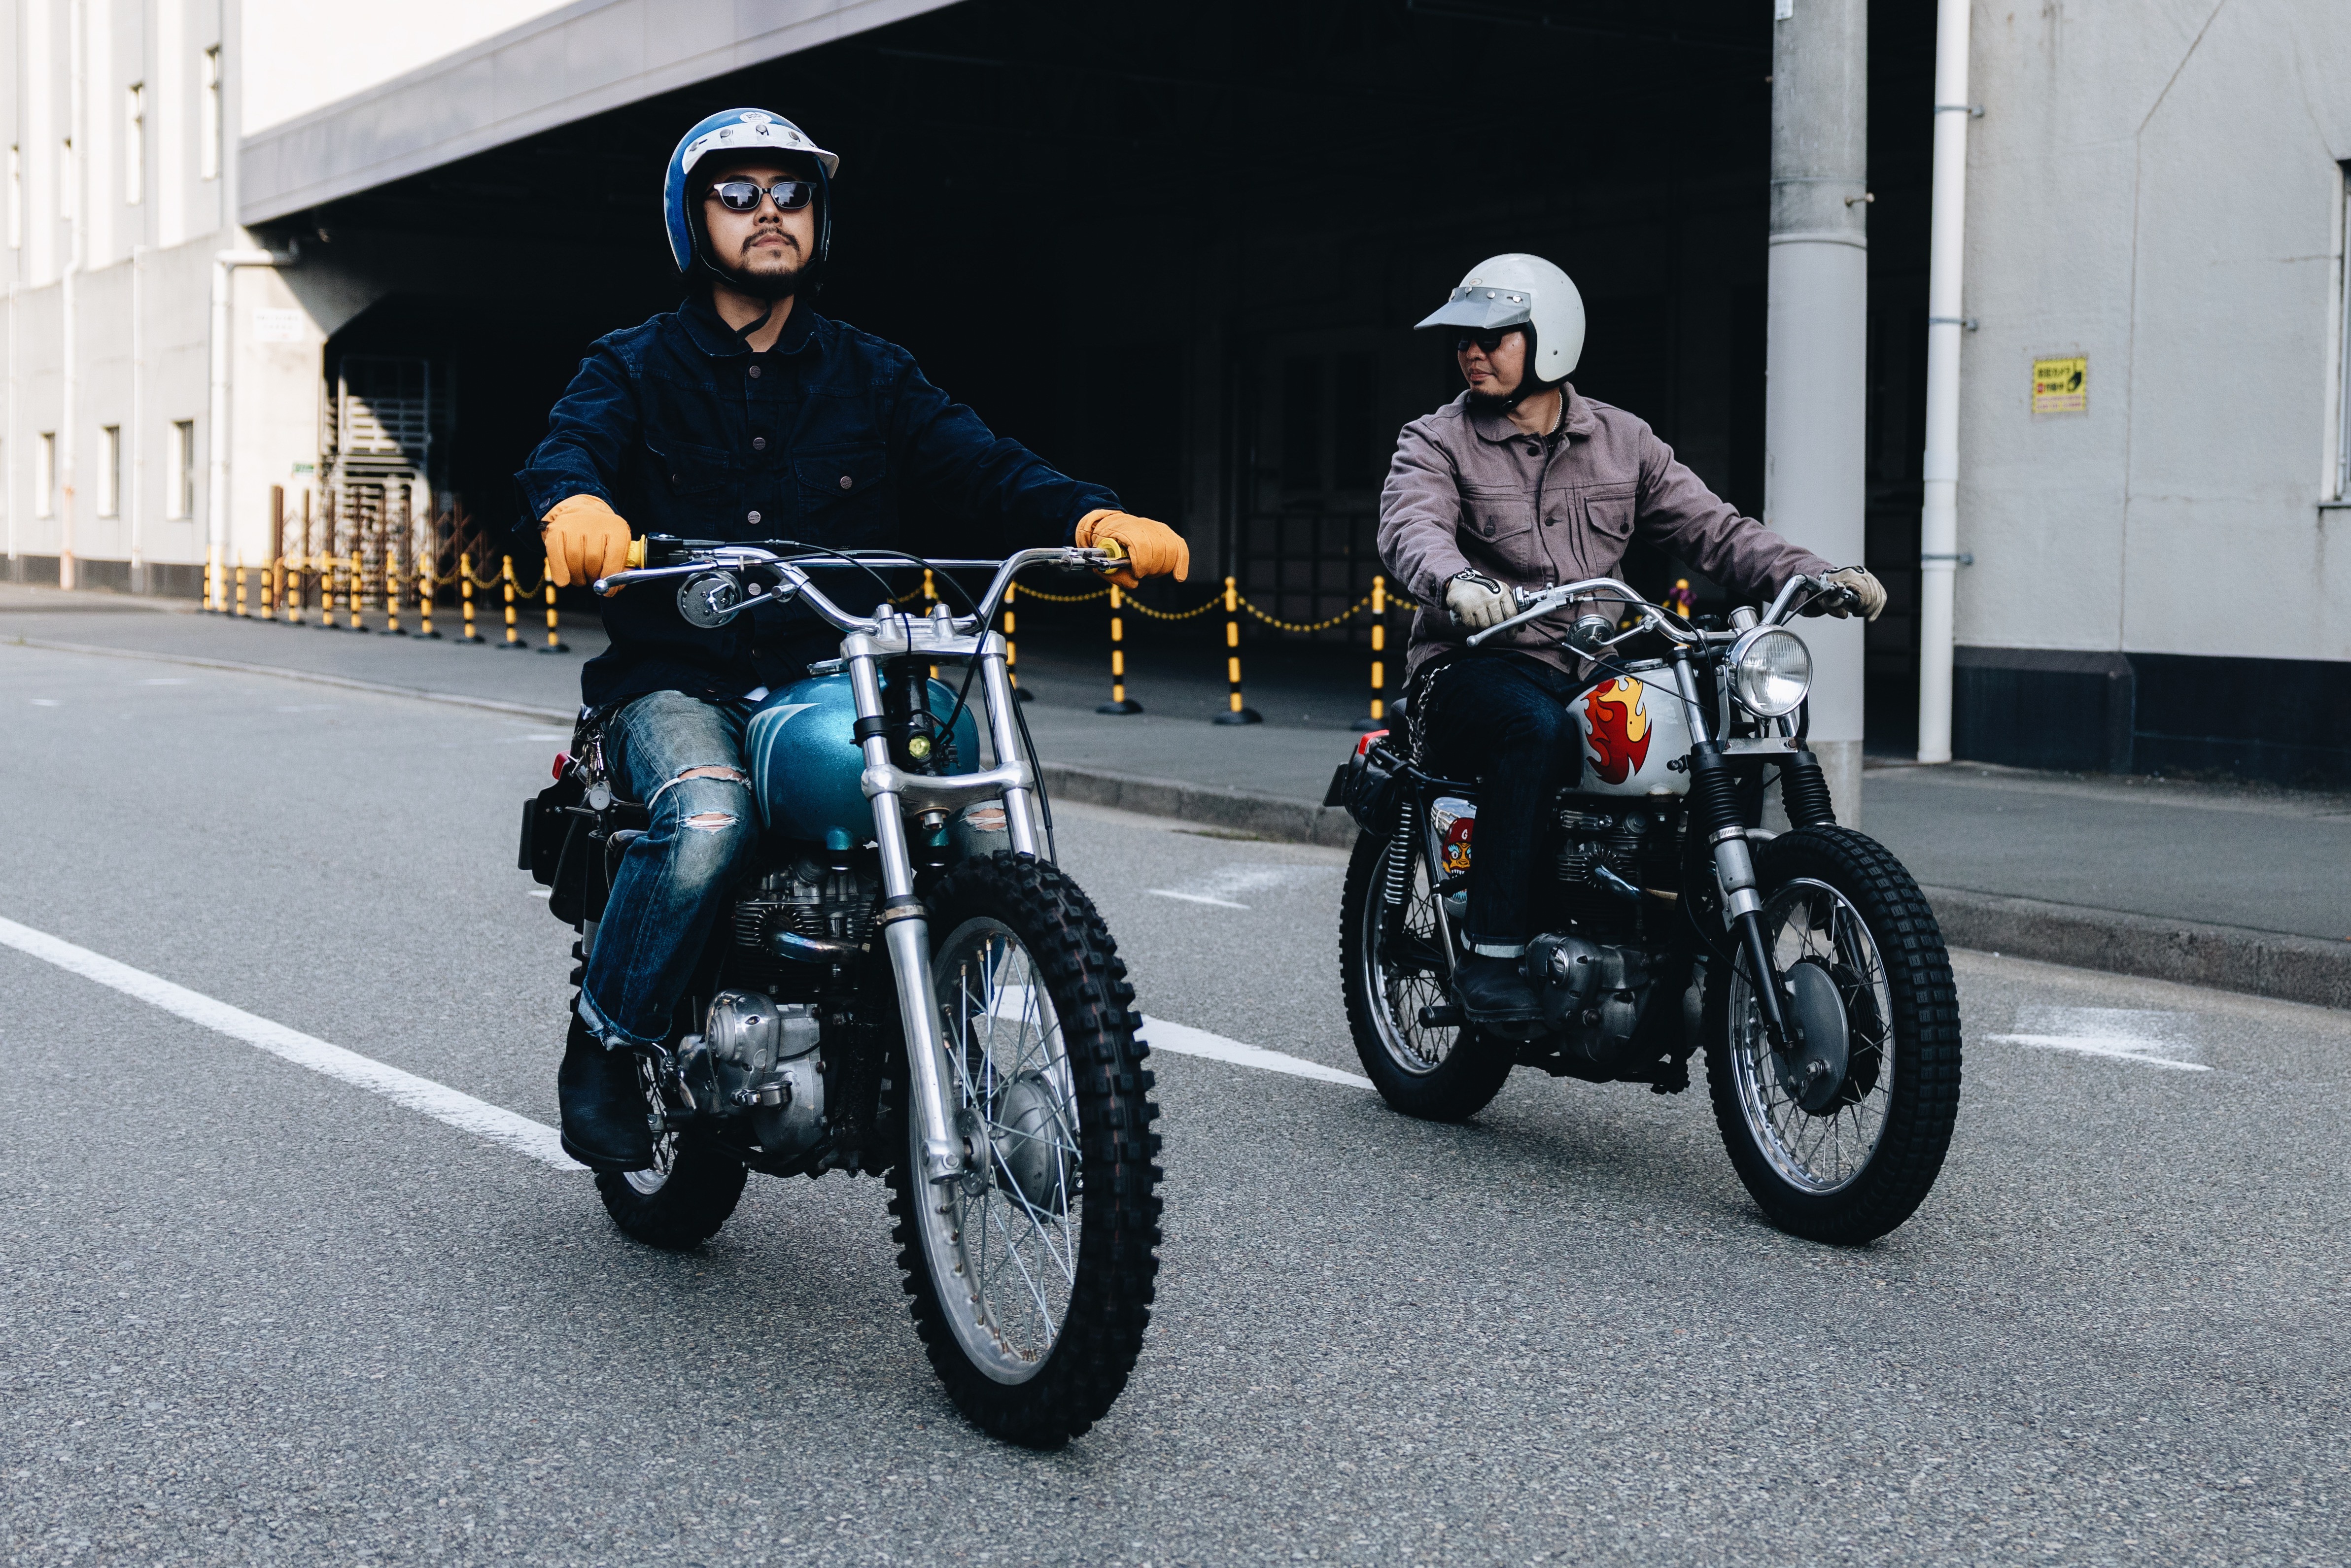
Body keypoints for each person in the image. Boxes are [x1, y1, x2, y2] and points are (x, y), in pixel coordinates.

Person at [516, 108, 1189, 1169]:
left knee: (967, 816)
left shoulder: (874, 374)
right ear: (692, 220)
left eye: (791, 194)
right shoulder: (634, 365)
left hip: (838, 666)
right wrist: (572, 509)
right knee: (705, 820)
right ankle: (608, 1041)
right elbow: (569, 452)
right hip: (677, 675)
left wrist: (1088, 518)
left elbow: (984, 465)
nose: (770, 213)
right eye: (738, 194)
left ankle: (960, 1053)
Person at [1376, 253, 1884, 1024]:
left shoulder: (1623, 440)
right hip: (1471, 665)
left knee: (1722, 708)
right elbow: (1409, 523)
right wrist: (1455, 582)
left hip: (1587, 661)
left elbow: (1714, 530)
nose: (1470, 352)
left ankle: (1686, 920)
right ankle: (1492, 953)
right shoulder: (1437, 439)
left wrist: (1815, 576)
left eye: (1492, 335)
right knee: (1533, 728)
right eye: (1463, 340)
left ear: (1547, 341)